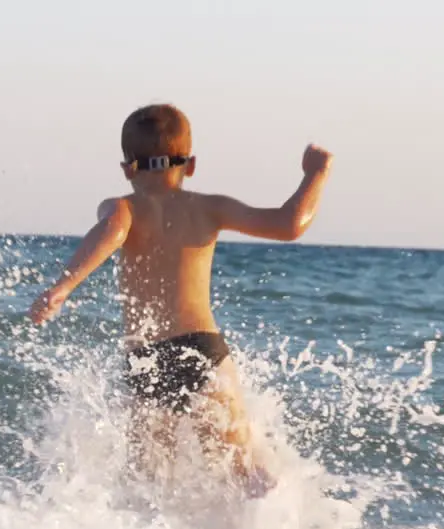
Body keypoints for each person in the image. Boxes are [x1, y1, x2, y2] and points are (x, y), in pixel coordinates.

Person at [28, 103, 332, 498]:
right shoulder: (210, 208)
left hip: (146, 360)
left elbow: (110, 232)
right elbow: (290, 223)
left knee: (151, 483)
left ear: (127, 168)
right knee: (244, 470)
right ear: (190, 165)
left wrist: (64, 286)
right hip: (200, 351)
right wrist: (315, 173)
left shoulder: (123, 207)